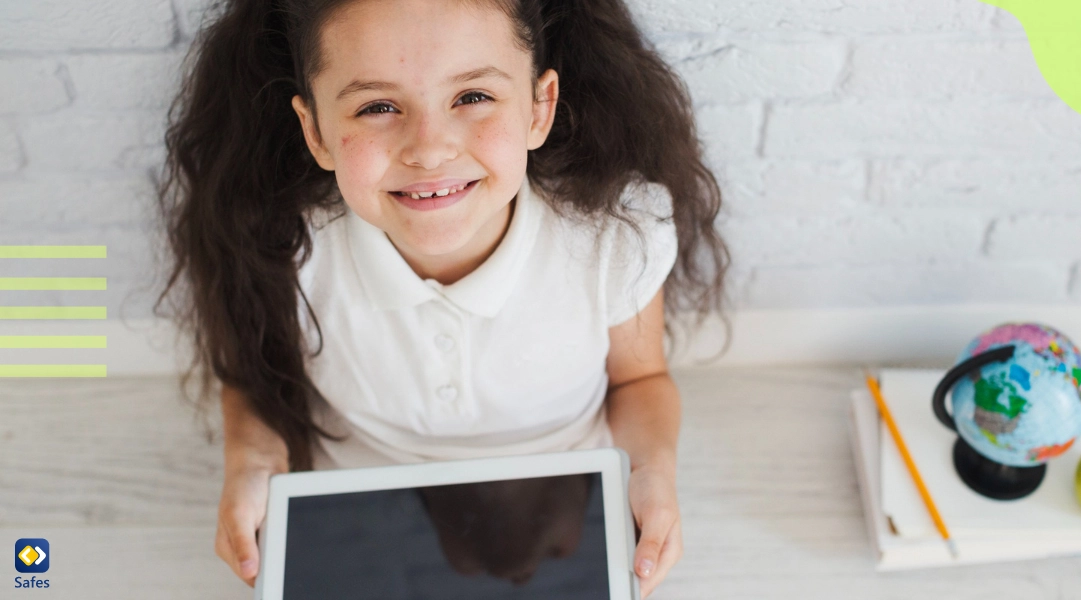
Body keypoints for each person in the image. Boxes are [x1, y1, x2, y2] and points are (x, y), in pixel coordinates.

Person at [154, 0, 730, 597]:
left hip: (569, 496)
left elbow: (639, 381)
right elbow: (255, 378)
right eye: (377, 106)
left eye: (472, 97)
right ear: (316, 131)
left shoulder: (611, 236)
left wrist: (651, 472)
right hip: (358, 519)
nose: (429, 150)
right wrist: (250, 462)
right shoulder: (283, 245)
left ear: (540, 108)